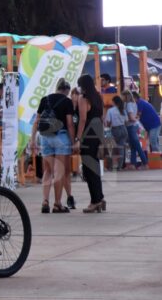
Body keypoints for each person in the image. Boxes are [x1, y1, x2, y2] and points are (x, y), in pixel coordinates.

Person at [30, 79, 75, 213]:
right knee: (59, 171)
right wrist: (73, 141)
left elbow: (37, 121)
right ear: (67, 90)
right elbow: (70, 124)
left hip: (45, 137)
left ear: (57, 88)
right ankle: (57, 203)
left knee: (47, 171)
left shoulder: (45, 99)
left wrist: (33, 140)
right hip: (61, 136)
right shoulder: (67, 102)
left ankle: (45, 201)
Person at [75, 75, 106, 213]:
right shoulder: (98, 97)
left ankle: (95, 201)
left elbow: (82, 119)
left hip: (87, 135)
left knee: (89, 170)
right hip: (97, 133)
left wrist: (77, 139)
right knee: (95, 168)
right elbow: (101, 118)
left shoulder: (83, 98)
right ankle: (100, 198)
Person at [122, 90, 148, 169]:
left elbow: (131, 117)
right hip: (135, 125)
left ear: (126, 96)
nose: (121, 98)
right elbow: (135, 115)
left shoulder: (128, 104)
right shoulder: (134, 103)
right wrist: (135, 118)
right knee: (133, 146)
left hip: (130, 126)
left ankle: (145, 163)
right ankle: (133, 164)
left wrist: (127, 119)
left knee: (137, 145)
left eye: (122, 96)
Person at [104, 96, 129, 171]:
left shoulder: (110, 111)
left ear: (114, 102)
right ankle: (120, 167)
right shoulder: (123, 110)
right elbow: (126, 121)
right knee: (121, 148)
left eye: (112, 101)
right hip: (124, 129)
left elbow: (108, 122)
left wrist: (107, 128)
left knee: (110, 148)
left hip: (115, 130)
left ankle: (110, 166)